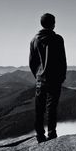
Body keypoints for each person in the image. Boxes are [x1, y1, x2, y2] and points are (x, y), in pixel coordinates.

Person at [29, 13, 67, 143]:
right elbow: (62, 60)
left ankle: (39, 135)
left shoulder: (34, 40)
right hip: (54, 79)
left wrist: (38, 76)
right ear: (53, 23)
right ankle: (52, 134)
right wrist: (62, 76)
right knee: (52, 107)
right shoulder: (58, 39)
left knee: (39, 108)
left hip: (40, 79)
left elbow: (32, 62)